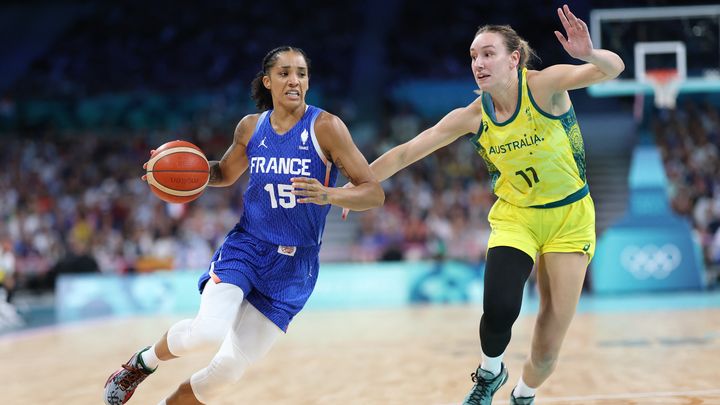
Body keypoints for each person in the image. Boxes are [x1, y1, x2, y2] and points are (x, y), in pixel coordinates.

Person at [344, 5, 624, 404]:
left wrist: (590, 55)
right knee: (498, 305)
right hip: (517, 217)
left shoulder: (545, 86)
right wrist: (358, 183)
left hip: (570, 218)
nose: (478, 62)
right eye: (473, 56)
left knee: (547, 347)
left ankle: (524, 393)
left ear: (514, 58)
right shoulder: (473, 115)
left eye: (488, 53)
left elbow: (612, 70)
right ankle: (489, 373)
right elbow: (407, 152)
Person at [103, 46, 384, 405]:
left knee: (227, 372)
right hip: (248, 247)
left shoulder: (326, 127)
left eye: (301, 73)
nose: (294, 80)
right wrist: (174, 173)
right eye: (284, 73)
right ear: (268, 82)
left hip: (295, 267)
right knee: (208, 331)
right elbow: (222, 172)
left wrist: (329, 195)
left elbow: (373, 192)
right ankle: (141, 364)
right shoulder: (251, 128)